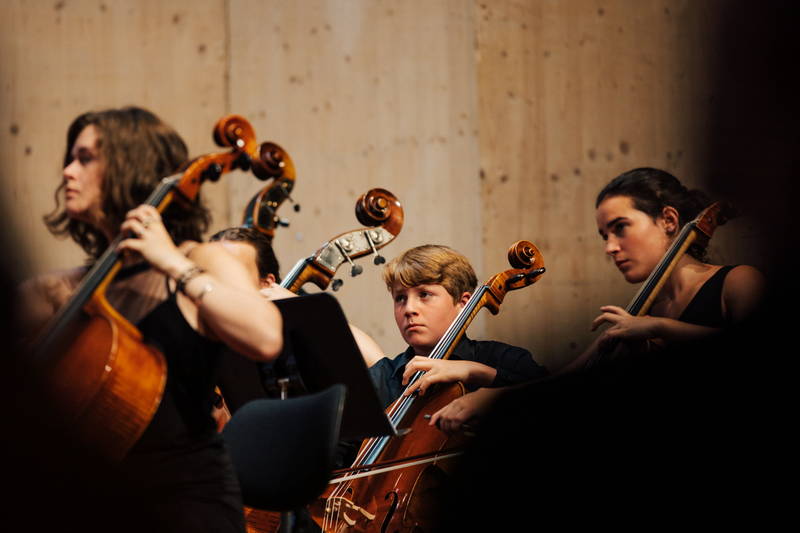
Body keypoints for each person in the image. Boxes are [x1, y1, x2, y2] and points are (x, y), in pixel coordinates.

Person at [16, 106, 283, 533]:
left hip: (186, 503)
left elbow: (265, 335)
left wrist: (173, 264)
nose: (67, 171)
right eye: (70, 158)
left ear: (130, 165)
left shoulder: (201, 259)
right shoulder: (66, 291)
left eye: (84, 158)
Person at [368, 244, 548, 432]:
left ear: (463, 303)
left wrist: (477, 372)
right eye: (400, 298)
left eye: (424, 294)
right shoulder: (379, 379)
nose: (409, 309)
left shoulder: (504, 359)